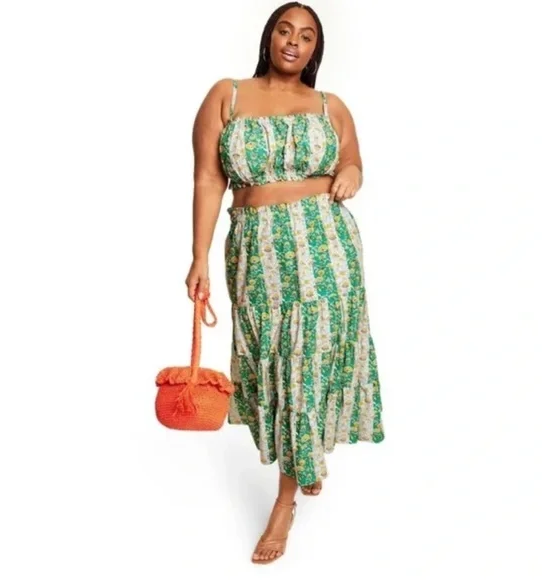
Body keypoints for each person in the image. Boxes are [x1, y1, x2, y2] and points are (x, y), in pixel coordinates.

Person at [185, 1, 385, 564]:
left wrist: (350, 174)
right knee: (276, 361)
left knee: (309, 361)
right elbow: (207, 180)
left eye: (307, 36)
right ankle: (305, 453)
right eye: (285, 30)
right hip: (258, 251)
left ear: (316, 49)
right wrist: (199, 257)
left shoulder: (329, 106)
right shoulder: (227, 96)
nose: (294, 41)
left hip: (326, 248)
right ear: (269, 37)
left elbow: (353, 162)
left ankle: (285, 500)